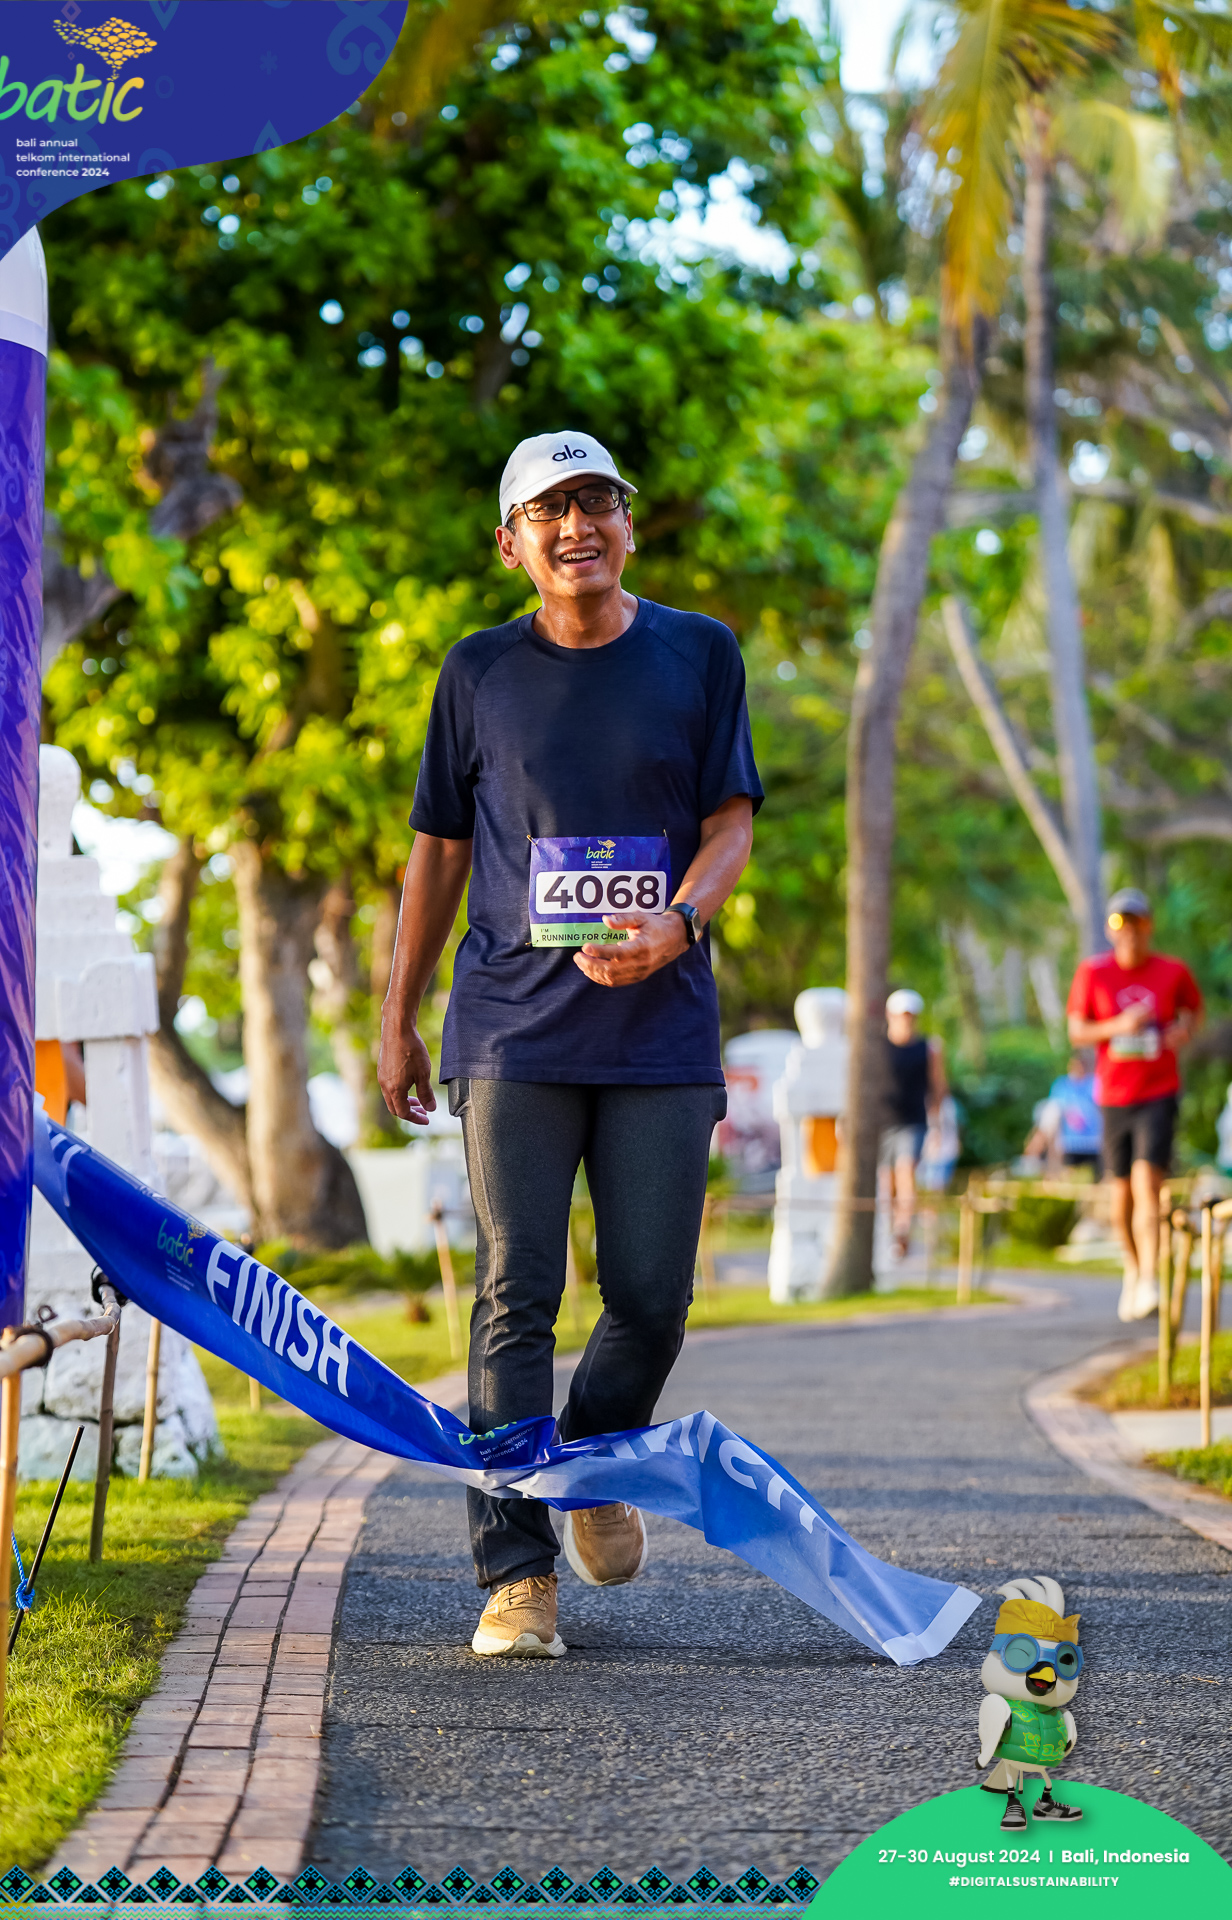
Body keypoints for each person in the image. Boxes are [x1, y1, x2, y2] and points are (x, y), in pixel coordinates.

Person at [377, 429, 761, 1659]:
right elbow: (437, 851)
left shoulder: (697, 652)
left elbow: (730, 821)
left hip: (660, 1028)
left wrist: (679, 921)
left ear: (627, 526)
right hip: (511, 1028)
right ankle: (515, 1574)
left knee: (649, 1300)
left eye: (595, 501)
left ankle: (587, 1462)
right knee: (515, 1291)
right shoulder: (477, 671)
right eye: (547, 509)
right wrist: (396, 1012)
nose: (574, 525)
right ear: (511, 544)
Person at [1066, 888, 1203, 1322]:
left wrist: (1183, 1031)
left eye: (1137, 922)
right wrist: (1118, 1026)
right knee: (1121, 1193)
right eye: (1119, 922)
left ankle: (1149, 1278)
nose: (1129, 931)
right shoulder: (1094, 972)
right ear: (1110, 929)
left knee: (1148, 1185)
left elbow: (1193, 1011)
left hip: (1158, 1091)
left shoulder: (1172, 970)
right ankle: (1133, 1266)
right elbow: (1077, 1030)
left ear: (1149, 926)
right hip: (1113, 1096)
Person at [879, 989, 948, 1259]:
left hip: (913, 1121)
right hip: (883, 1123)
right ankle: (888, 1229)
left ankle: (902, 1231)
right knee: (887, 1181)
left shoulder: (928, 1048)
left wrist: (938, 1125)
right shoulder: (878, 1047)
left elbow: (938, 1086)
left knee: (906, 1171)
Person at [1024, 1055, 1101, 1175]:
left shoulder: (1093, 1084)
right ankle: (1038, 1152)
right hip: (1062, 1132)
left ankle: (1034, 1150)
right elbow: (1054, 1108)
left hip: (1090, 1131)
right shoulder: (1061, 1084)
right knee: (1051, 1111)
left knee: (1051, 1115)